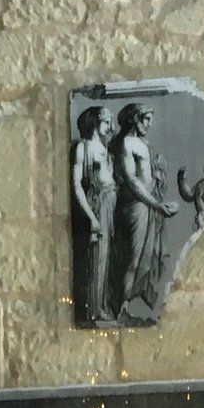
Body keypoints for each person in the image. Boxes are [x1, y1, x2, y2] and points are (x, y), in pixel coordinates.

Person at [107, 104, 176, 321]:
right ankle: (121, 307)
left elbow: (145, 177)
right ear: (134, 120)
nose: (149, 123)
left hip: (146, 204)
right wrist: (156, 204)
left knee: (144, 258)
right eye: (145, 118)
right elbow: (132, 180)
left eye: (150, 118)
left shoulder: (142, 142)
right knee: (133, 259)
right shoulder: (126, 143)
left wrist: (158, 176)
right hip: (135, 206)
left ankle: (129, 304)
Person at [71, 105, 113, 322]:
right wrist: (91, 216)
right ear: (96, 122)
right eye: (107, 122)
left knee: (107, 257)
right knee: (97, 257)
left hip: (109, 202)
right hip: (96, 204)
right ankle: (94, 309)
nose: (110, 127)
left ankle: (102, 305)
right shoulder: (83, 147)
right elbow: (77, 185)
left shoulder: (104, 148)